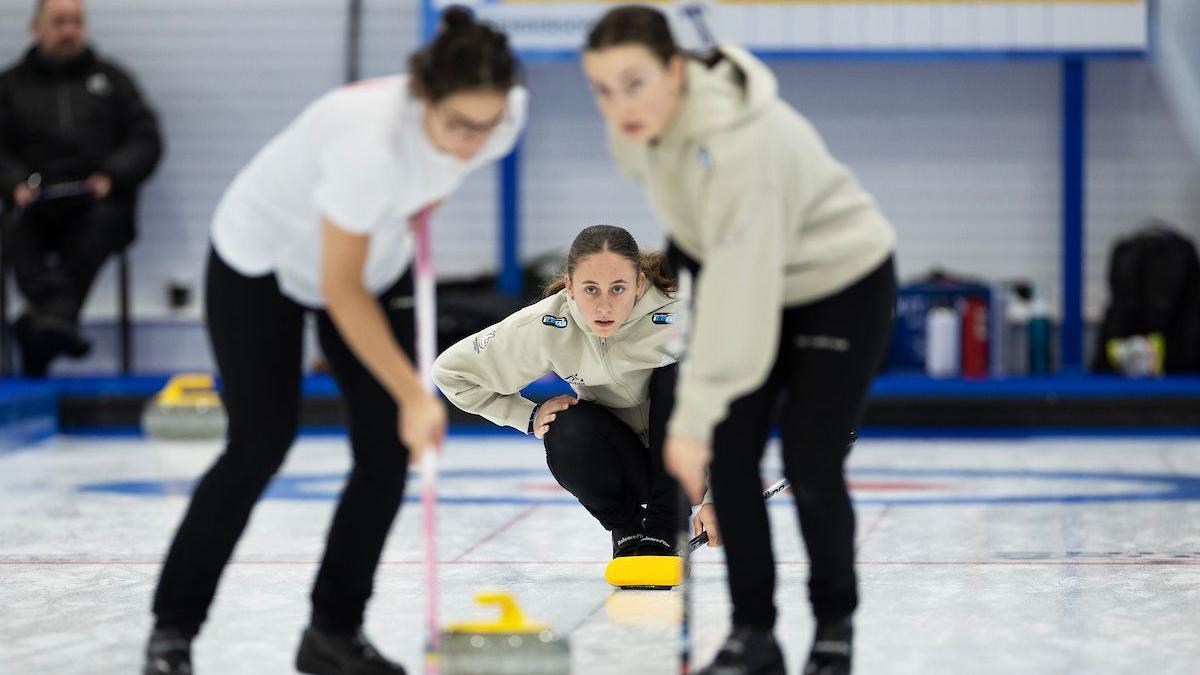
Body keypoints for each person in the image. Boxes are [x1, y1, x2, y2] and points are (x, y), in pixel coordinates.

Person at [143, 8, 526, 675]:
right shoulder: (365, 142)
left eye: (485, 126)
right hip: (261, 260)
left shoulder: (502, 115)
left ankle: (332, 632)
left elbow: (432, 183)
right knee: (261, 441)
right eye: (459, 126)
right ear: (423, 100)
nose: (474, 142)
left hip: (375, 254)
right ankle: (172, 630)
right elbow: (338, 289)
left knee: (384, 450)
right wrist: (415, 391)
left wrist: (423, 199)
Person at [583, 7, 898, 674]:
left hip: (839, 283)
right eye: (603, 89)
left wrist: (691, 418)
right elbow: (703, 265)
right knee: (728, 461)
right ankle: (755, 632)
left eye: (634, 83)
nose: (620, 106)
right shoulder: (632, 136)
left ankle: (833, 630)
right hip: (745, 270)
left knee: (810, 460)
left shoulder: (738, 147)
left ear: (676, 70)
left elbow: (745, 307)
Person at [434, 224, 721, 563]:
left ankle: (665, 527)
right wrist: (526, 416)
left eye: (618, 289)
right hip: (620, 463)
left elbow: (731, 400)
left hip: (689, 463)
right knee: (565, 425)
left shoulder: (685, 313)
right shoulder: (546, 325)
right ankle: (627, 529)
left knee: (677, 374)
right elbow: (452, 373)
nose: (604, 307)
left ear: (639, 283)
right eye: (590, 289)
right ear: (569, 287)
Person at [0, 0, 162, 376]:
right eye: (59, 22)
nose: (69, 31)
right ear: (36, 27)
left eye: (76, 22)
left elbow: (146, 140)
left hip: (95, 200)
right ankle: (55, 319)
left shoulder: (113, 81)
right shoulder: (10, 86)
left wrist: (112, 174)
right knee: (12, 229)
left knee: (106, 222)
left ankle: (44, 323)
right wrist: (13, 183)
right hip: (34, 198)